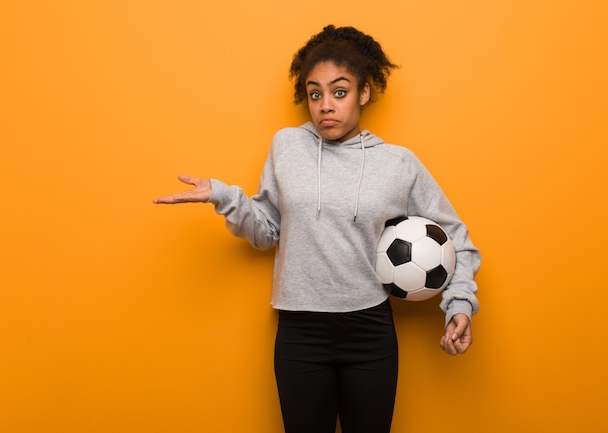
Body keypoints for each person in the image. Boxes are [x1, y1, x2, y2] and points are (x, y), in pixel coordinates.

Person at [154, 24, 480, 433]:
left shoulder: (398, 163)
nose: (326, 105)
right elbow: (266, 232)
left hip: (370, 330)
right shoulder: (287, 147)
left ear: (364, 93)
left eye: (339, 92)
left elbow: (456, 241)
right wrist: (225, 197)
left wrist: (459, 304)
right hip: (300, 330)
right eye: (315, 93)